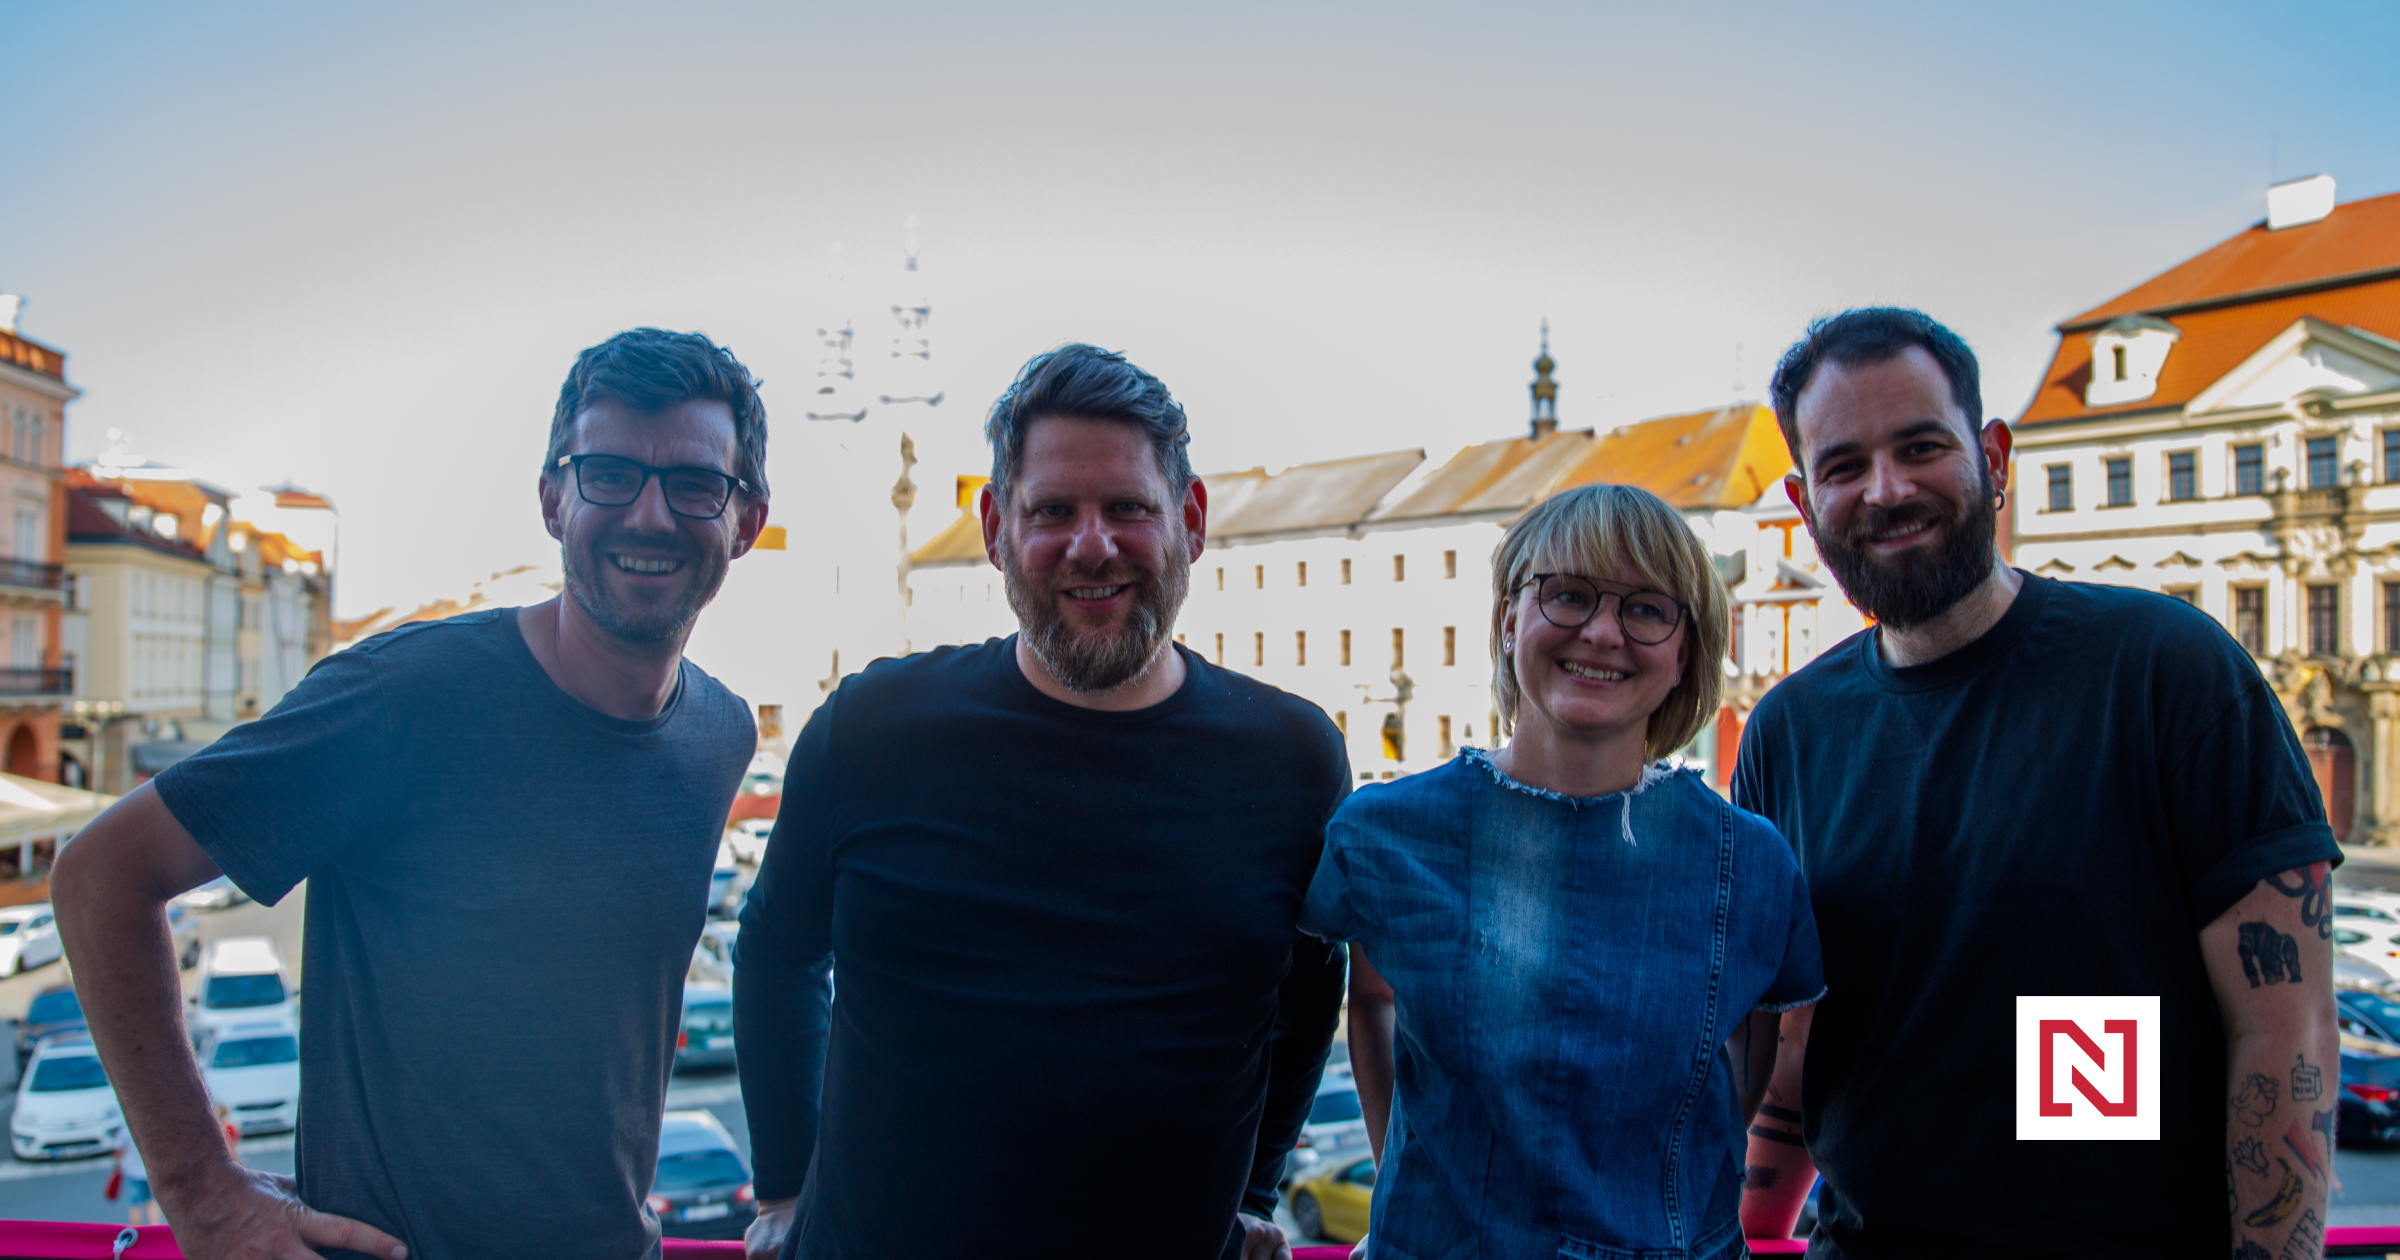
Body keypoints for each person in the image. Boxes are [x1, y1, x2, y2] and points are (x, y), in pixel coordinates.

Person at [53, 328, 773, 1260]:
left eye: (694, 485)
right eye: (608, 475)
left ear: (746, 521)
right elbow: (99, 876)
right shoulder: (404, 697)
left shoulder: (720, 734)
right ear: (553, 500)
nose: (648, 514)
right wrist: (202, 1193)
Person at [1734, 308, 2339, 1259]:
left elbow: (2281, 1026)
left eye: (1921, 447)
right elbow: (1799, 1042)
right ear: (1805, 504)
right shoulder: (1789, 731)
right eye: (1844, 466)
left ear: (1993, 458)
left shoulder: (2162, 669)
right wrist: (1747, 1231)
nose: (1886, 490)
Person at [734, 344, 1349, 1260]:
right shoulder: (873, 729)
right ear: (995, 528)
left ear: (1189, 521)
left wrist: (1256, 1188)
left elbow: (1310, 989)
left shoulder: (1292, 758)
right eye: (1053, 511)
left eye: (1128, 508)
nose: (1091, 545)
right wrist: (785, 1186)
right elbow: (776, 950)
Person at [1303, 483, 1823, 1260]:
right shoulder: (1385, 833)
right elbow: (1368, 997)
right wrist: (1404, 1188)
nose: (1604, 632)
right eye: (1570, 594)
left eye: (1647, 608)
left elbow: (1754, 1062)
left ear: (1685, 651)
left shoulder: (1751, 863)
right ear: (1509, 619)